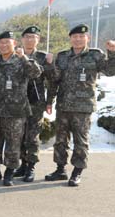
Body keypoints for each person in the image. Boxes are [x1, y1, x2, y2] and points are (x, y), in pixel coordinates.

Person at [44, 24, 115, 186]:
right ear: (70, 39)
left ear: (87, 38)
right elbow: (55, 80)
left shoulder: (95, 55)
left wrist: (113, 53)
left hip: (83, 107)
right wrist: (49, 100)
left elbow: (110, 71)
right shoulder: (62, 56)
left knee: (80, 141)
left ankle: (77, 171)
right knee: (61, 140)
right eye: (74, 37)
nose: (77, 39)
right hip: (63, 105)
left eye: (81, 36)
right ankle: (60, 169)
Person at [0, 31, 42, 186]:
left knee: (13, 144)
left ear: (14, 44)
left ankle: (9, 172)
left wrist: (24, 58)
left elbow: (36, 73)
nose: (4, 45)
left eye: (7, 42)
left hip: (16, 111)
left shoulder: (22, 61)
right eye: (1, 43)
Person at [13, 26, 48, 182]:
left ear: (38, 40)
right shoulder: (13, 56)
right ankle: (22, 164)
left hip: (35, 102)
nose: (29, 40)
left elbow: (39, 73)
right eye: (26, 37)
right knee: (19, 135)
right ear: (22, 39)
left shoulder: (43, 57)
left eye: (33, 37)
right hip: (17, 101)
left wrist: (49, 101)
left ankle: (31, 167)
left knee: (32, 136)